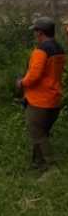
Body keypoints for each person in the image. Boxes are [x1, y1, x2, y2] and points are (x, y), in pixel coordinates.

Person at [16, 17, 65, 172]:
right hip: (54, 98)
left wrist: (21, 83)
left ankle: (52, 168)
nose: (34, 34)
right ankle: (37, 164)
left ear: (40, 33)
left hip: (39, 100)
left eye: (35, 31)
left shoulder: (41, 50)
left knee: (37, 133)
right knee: (41, 132)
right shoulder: (59, 49)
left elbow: (34, 76)